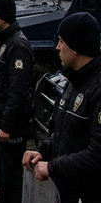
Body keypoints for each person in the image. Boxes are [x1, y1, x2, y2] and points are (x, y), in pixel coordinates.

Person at [23, 12, 101, 202]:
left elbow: (97, 154)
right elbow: (63, 133)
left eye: (61, 41)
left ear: (76, 47)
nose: (57, 47)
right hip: (65, 191)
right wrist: (43, 151)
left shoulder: (97, 89)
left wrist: (52, 167)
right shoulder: (73, 81)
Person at [0, 0, 32, 203]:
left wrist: (7, 125)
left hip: (8, 125)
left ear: (3, 17)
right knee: (0, 175)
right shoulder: (0, 41)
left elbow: (17, 91)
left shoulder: (17, 46)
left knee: (11, 181)